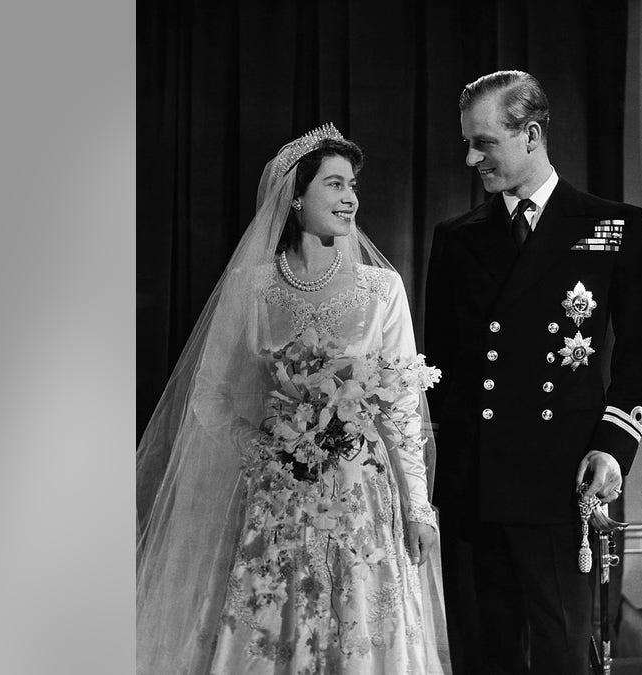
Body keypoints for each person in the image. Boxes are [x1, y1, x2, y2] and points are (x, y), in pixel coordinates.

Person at [137, 124, 451, 674]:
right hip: (278, 495)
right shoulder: (254, 288)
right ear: (296, 196)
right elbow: (209, 395)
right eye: (334, 184)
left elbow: (401, 409)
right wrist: (260, 445)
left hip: (360, 498)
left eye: (352, 184)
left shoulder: (382, 289)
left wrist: (419, 508)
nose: (350, 197)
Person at [424, 71, 642, 674]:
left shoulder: (611, 225)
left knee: (560, 654)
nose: (471, 157)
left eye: (484, 142)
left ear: (531, 135)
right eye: (467, 142)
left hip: (561, 479)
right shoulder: (455, 239)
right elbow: (440, 371)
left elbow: (638, 353)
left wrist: (613, 448)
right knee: (484, 656)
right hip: (474, 485)